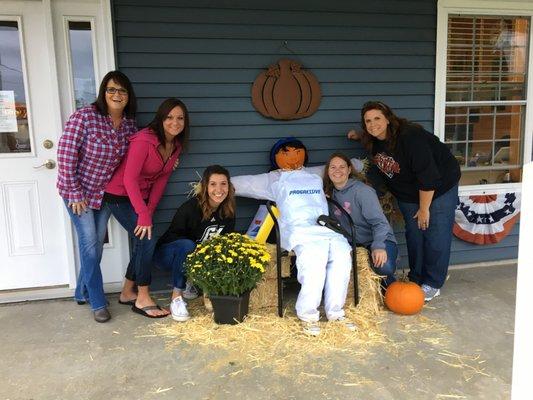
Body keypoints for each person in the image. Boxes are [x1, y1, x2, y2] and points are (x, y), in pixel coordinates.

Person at [232, 137, 364, 336]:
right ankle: (308, 315)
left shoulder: (313, 173)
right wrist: (215, 183)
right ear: (276, 157)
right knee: (314, 259)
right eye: (287, 153)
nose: (293, 157)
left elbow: (343, 165)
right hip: (297, 230)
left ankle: (336, 313)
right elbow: (244, 183)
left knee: (343, 254)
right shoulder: (272, 179)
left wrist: (360, 164)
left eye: (297, 152)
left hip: (324, 226)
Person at [348, 101, 460, 301]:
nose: (373, 124)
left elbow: (428, 176)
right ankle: (416, 278)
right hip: (408, 193)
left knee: (435, 233)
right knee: (414, 233)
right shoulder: (374, 139)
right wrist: (357, 136)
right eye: (368, 121)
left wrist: (424, 209)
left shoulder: (410, 137)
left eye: (377, 119)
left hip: (438, 187)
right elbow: (371, 134)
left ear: (389, 119)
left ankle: (433, 283)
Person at [57, 70, 137, 323]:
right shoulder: (85, 117)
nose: (117, 94)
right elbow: (65, 155)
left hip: (105, 196)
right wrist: (74, 192)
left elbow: (133, 159)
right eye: (111, 89)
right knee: (90, 246)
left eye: (122, 91)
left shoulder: (129, 125)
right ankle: (97, 302)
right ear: (103, 92)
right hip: (78, 192)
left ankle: (81, 291)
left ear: (128, 96)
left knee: (95, 249)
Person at [103, 98, 189, 318]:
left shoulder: (175, 146)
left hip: (141, 199)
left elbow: (161, 180)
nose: (175, 122)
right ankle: (142, 297)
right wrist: (142, 214)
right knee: (147, 239)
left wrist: (149, 209)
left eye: (180, 118)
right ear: (161, 118)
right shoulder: (144, 140)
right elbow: (129, 179)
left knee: (144, 238)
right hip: (119, 196)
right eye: (169, 117)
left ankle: (126, 292)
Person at [153, 165, 236, 321]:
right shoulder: (191, 208)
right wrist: (196, 254)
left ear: (229, 186)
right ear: (205, 186)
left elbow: (224, 241)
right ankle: (176, 298)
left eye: (223, 183)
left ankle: (189, 280)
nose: (219, 189)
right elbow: (175, 238)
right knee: (187, 245)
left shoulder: (228, 210)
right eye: (213, 184)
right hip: (166, 256)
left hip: (193, 256)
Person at [323, 152, 398, 290]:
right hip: (354, 244)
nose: (337, 170)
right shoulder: (328, 195)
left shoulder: (363, 191)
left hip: (377, 239)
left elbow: (380, 223)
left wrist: (378, 246)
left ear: (349, 170)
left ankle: (390, 283)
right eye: (333, 167)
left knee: (384, 267)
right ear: (328, 171)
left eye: (342, 167)